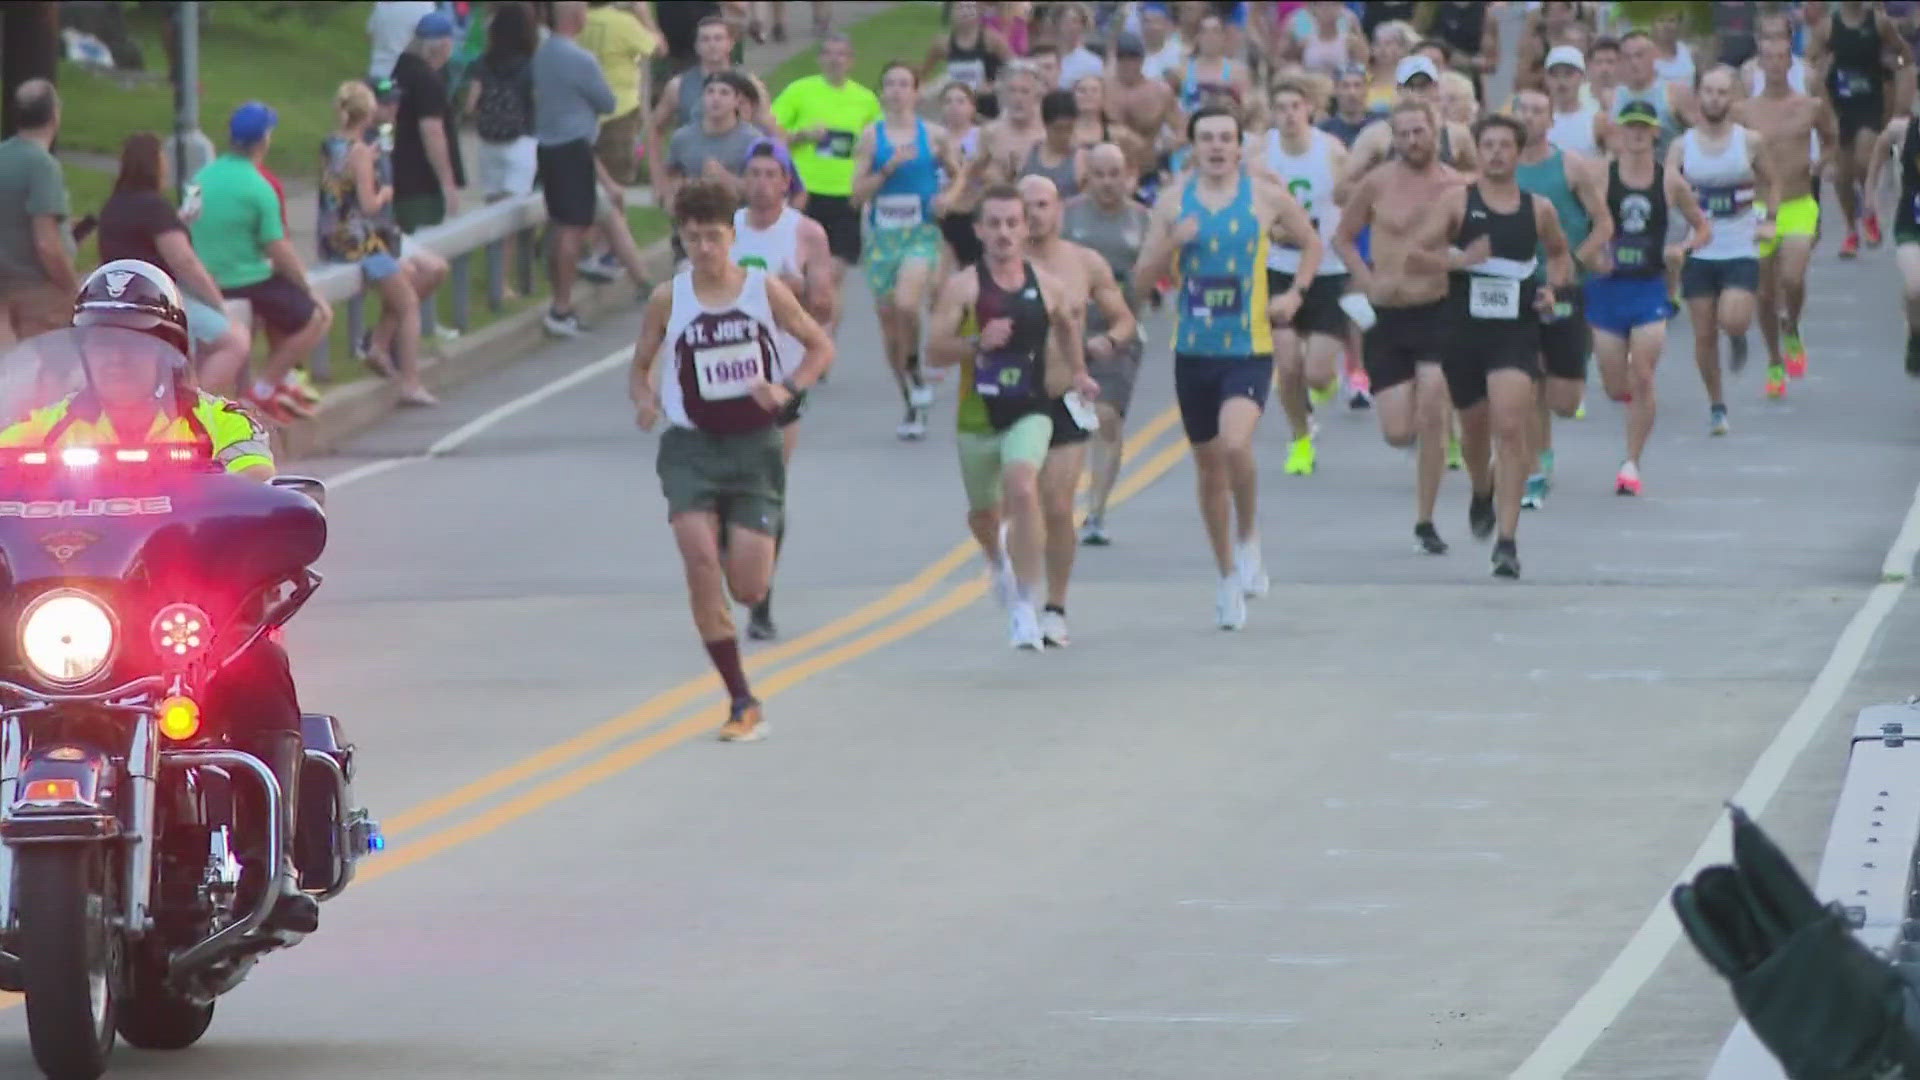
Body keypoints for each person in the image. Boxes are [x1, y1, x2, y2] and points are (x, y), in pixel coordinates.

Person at [0, 259, 317, 935]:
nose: (118, 359)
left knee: (261, 668)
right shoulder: (42, 430)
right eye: (102, 345)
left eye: (137, 344)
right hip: (66, 620)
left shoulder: (218, 424)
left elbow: (256, 487)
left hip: (184, 616)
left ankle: (276, 859)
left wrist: (264, 506)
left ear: (172, 356)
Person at [628, 179, 834, 743]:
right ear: (682, 239)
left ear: (732, 235)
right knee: (698, 560)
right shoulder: (670, 299)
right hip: (691, 445)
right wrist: (646, 400)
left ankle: (728, 538)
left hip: (753, 447)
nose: (704, 249)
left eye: (714, 237)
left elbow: (820, 347)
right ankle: (741, 699)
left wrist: (787, 388)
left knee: (747, 588)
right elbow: (640, 365)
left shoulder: (763, 292)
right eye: (693, 238)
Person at [1135, 106, 1320, 629]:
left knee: (1236, 444)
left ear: (1240, 147)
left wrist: (1296, 295)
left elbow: (1311, 242)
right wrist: (1174, 243)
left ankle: (1248, 537)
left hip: (1248, 345)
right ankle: (1224, 576)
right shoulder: (1172, 203)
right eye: (1206, 139)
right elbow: (1140, 282)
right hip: (1194, 350)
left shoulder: (1263, 196)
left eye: (1225, 138)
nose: (1216, 147)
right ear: (1192, 147)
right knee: (1208, 466)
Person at [925, 184, 1084, 650]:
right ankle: (997, 559)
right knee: (984, 515)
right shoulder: (964, 287)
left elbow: (1069, 324)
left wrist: (1079, 374)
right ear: (978, 230)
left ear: (1025, 228)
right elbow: (933, 350)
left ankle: (1025, 605)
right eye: (993, 224)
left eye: (1012, 223)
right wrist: (977, 343)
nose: (1003, 232)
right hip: (977, 418)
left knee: (1022, 484)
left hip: (1030, 411)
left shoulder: (1047, 285)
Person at [1417, 114, 1575, 579]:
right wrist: (1460, 260)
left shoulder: (1538, 208)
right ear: (1478, 151)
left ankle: (1507, 541)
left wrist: (1554, 290)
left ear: (1518, 152)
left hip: (1516, 331)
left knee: (1511, 427)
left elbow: (1561, 255)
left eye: (1506, 145)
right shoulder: (1456, 203)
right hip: (1464, 331)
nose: (1497, 153)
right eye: (1488, 145)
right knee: (1474, 432)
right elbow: (1416, 253)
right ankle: (1480, 487)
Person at [1333, 99, 1466, 556]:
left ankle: (1425, 520)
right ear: (1394, 138)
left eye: (1420, 132)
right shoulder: (1377, 182)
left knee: (1433, 402)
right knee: (1396, 431)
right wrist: (1366, 278)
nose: (1412, 141)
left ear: (1436, 131)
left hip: (1438, 310)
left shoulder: (1457, 186)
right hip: (1388, 315)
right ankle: (1420, 440)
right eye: (1404, 133)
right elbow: (1343, 237)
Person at [1017, 173, 1131, 646]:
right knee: (1017, 504)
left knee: (1058, 505)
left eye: (1043, 205)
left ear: (1059, 210)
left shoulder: (1084, 263)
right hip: (1010, 399)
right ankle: (1020, 597)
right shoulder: (996, 268)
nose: (1033, 215)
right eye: (1025, 206)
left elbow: (1124, 319)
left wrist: (1108, 339)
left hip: (1064, 396)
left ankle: (1054, 607)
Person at [730, 140, 834, 640]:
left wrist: (797, 288)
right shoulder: (723, 232)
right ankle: (738, 560)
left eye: (773, 174)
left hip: (782, 377)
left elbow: (825, 309)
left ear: (788, 182)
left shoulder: (806, 233)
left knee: (768, 488)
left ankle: (761, 599)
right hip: (724, 376)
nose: (762, 183)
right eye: (753, 173)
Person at [1587, 99, 1710, 497]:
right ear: (1620, 132)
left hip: (1649, 288)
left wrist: (1683, 250)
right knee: (1612, 385)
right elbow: (1575, 224)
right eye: (1630, 127)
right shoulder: (1601, 178)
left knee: (1643, 373)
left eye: (1644, 128)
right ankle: (1632, 412)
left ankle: (1631, 462)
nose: (1637, 134)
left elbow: (1702, 228)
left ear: (1656, 133)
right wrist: (1591, 253)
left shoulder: (1669, 181)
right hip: (1606, 290)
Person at [191, 102, 333, 424]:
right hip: (245, 278)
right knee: (316, 317)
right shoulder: (259, 187)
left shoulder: (200, 177)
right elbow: (277, 246)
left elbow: (185, 221)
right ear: (263, 141)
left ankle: (281, 385)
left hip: (204, 277)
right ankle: (265, 389)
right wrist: (307, 288)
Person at [1512, 87, 1612, 512]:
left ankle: (1571, 379)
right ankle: (1538, 462)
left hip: (1565, 285)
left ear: (1550, 121)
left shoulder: (1569, 165)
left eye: (1539, 111)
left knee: (1564, 401)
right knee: (1527, 379)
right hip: (1517, 287)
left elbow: (1604, 223)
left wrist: (1576, 259)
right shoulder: (1499, 169)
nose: (1531, 117)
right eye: (1524, 111)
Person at [96, 132, 251, 395]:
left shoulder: (112, 207)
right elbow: (184, 261)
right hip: (158, 303)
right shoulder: (155, 207)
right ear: (155, 165)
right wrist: (218, 303)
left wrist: (177, 221)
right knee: (235, 340)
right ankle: (194, 403)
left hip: (119, 303)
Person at [852, 63, 958, 441]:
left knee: (907, 304)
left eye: (904, 84)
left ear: (916, 92)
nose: (897, 91)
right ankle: (911, 396)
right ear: (882, 93)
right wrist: (886, 170)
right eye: (890, 84)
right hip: (883, 240)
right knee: (890, 328)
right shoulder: (870, 137)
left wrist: (948, 196)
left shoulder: (936, 136)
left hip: (921, 233)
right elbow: (856, 195)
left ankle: (917, 368)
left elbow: (960, 176)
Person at [319, 80, 438, 407]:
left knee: (411, 272)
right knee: (409, 303)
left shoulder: (331, 145)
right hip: (360, 242)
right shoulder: (359, 152)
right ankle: (410, 382)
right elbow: (369, 205)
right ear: (368, 114)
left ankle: (379, 345)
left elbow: (341, 178)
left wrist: (366, 160)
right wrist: (385, 191)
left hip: (332, 235)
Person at [534, 0, 649, 338]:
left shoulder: (543, 53)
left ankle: (639, 279)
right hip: (574, 149)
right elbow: (607, 102)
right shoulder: (580, 59)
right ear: (575, 17)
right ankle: (561, 307)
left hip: (550, 147)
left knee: (584, 217)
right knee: (572, 228)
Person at [1735, 35, 1836, 397]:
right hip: (1759, 207)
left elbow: (1831, 138)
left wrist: (1819, 164)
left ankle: (1791, 326)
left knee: (1792, 278)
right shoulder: (1744, 110)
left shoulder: (1810, 105)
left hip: (1798, 202)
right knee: (1763, 293)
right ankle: (1775, 360)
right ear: (1760, 64)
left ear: (1789, 64)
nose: (1776, 64)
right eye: (1769, 57)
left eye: (1782, 57)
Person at [1260, 78, 1350, 478]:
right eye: (1280, 107)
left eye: (1295, 106)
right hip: (1280, 267)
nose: (1289, 114)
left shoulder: (1330, 150)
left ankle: (1328, 382)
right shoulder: (1262, 151)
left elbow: (1353, 199)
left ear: (1309, 109)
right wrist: (1274, 231)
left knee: (1316, 372)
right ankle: (1299, 439)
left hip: (1328, 269)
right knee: (1287, 363)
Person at [1670, 66, 1766, 437]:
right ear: (1698, 96)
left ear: (1734, 98)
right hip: (1699, 250)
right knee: (1704, 334)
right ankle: (1717, 404)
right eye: (1707, 91)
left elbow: (1771, 180)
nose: (1714, 98)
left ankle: (1739, 336)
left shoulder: (1751, 142)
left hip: (1740, 246)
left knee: (1733, 319)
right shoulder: (1682, 147)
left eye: (1722, 92)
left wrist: (1768, 216)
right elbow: (1667, 192)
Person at [1063, 144, 1150, 546]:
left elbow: (1162, 271)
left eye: (1115, 173)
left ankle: (1096, 512)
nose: (1108, 182)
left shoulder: (1142, 221)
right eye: (1099, 174)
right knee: (1063, 425)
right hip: (1065, 332)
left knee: (1107, 417)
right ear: (1088, 177)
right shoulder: (1066, 216)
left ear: (1128, 175)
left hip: (1119, 333)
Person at [772, 32, 882, 335]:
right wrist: (802, 135)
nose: (835, 60)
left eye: (841, 54)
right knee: (802, 275)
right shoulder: (800, 92)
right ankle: (802, 338)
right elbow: (771, 135)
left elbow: (878, 145)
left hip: (846, 197)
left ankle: (822, 343)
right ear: (820, 59)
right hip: (805, 193)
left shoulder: (866, 100)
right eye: (829, 54)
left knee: (832, 276)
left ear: (851, 61)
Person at [1808, 1, 1911, 258]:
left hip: (1871, 103)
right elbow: (1809, 62)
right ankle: (1850, 231)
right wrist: (1821, 69)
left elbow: (1904, 54)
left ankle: (1869, 209)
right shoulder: (1828, 27)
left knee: (1865, 157)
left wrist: (1893, 64)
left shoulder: (1878, 23)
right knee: (1843, 177)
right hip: (1839, 106)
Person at [465, 2, 539, 294]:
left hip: (488, 142)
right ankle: (503, 282)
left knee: (493, 211)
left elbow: (471, 104)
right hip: (520, 142)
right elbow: (538, 100)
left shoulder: (482, 62)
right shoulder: (530, 64)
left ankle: (496, 273)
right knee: (512, 216)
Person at [0, 80, 77, 344]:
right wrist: (71, 288)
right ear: (55, 114)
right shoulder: (43, 165)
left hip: (5, 290)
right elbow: (46, 244)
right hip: (39, 293)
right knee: (48, 375)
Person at [390, 11, 467, 233]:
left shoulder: (400, 69)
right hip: (422, 184)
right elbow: (432, 131)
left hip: (398, 175)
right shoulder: (427, 80)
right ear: (443, 46)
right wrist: (447, 183)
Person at [1866, 108, 1920, 373]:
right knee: (1914, 288)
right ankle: (1916, 335)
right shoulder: (1903, 129)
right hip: (1912, 224)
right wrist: (1870, 195)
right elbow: (1880, 148)